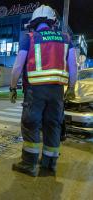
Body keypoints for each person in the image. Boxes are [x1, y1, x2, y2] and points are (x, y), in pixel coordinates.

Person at [9, 5, 77, 176]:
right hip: (57, 92)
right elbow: (73, 67)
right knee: (53, 125)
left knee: (31, 124)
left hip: (35, 91)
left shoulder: (29, 38)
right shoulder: (66, 39)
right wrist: (71, 88)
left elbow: (17, 67)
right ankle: (49, 164)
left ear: (33, 23)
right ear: (53, 22)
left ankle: (28, 164)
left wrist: (12, 87)